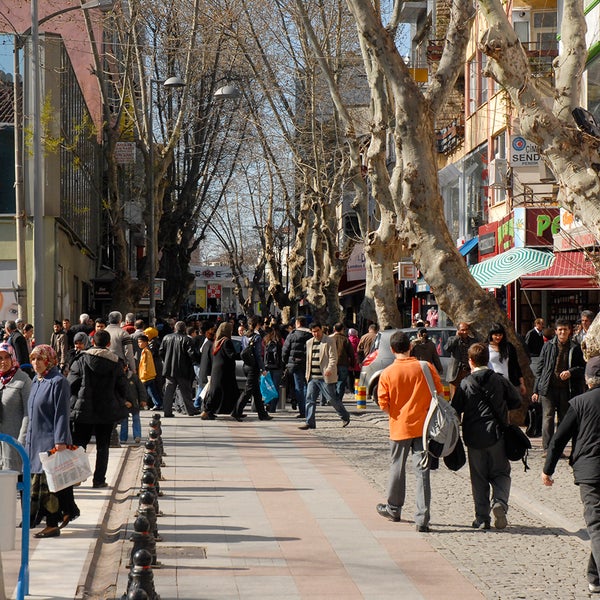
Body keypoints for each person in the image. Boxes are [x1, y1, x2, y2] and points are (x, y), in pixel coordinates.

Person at [542, 355, 600, 594]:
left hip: (590, 471)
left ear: (588, 380)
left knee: (596, 524)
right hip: (590, 469)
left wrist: (547, 469)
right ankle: (594, 577)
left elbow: (558, 440)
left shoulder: (579, 403)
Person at [375, 330, 442, 531]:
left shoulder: (387, 373)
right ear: (410, 346)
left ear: (392, 349)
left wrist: (396, 413)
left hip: (399, 427)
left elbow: (383, 403)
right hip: (423, 427)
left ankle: (394, 508)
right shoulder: (426, 367)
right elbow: (439, 393)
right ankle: (422, 518)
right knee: (422, 471)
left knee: (397, 467)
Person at [452, 343, 522, 530]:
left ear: (470, 361)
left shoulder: (466, 383)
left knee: (479, 478)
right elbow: (516, 401)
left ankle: (482, 519)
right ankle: (499, 501)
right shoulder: (499, 380)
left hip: (474, 438)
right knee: (501, 472)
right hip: (497, 435)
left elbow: (455, 409)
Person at [26, 344, 79, 537]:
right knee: (44, 484)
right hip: (35, 439)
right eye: (33, 359)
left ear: (49, 359)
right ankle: (65, 512)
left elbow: (62, 414)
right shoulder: (37, 380)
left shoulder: (58, 382)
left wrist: (60, 440)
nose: (36, 363)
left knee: (50, 486)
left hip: (50, 441)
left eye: (40, 359)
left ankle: (52, 524)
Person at [69, 330, 128, 488]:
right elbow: (123, 386)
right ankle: (99, 479)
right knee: (103, 446)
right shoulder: (116, 363)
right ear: (108, 344)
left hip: (83, 409)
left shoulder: (80, 360)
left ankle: (76, 478)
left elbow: (71, 384)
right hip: (106, 409)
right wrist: (121, 400)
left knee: (80, 443)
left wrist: (74, 401)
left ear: (92, 342)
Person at [532, 318, 585, 452]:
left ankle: (558, 448)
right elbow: (540, 368)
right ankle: (547, 448)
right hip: (548, 387)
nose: (562, 332)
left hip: (566, 389)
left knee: (563, 419)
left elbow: (582, 368)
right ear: (555, 331)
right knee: (548, 417)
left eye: (565, 330)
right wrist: (536, 390)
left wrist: (570, 372)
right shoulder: (548, 346)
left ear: (569, 331)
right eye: (560, 330)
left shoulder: (575, 348)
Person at [300, 322, 350, 430]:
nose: (315, 333)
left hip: (325, 377)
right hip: (312, 377)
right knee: (309, 399)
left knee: (332, 399)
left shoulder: (329, 341)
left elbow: (333, 357)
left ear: (321, 329)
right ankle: (310, 422)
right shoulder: (309, 342)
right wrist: (307, 374)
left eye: (317, 331)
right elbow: (308, 360)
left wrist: (329, 369)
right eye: (313, 332)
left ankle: (345, 416)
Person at [234, 316, 272, 421]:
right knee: (248, 390)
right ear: (257, 325)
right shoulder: (257, 337)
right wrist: (262, 368)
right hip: (253, 367)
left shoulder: (245, 336)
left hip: (246, 365)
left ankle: (262, 414)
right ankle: (236, 411)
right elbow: (258, 355)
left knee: (256, 391)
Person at [0, 343, 31, 472]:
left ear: (13, 357)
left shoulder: (23, 380)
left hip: (13, 443)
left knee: (13, 482)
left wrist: (21, 441)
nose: (3, 362)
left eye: (7, 357)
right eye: (0, 358)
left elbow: (28, 413)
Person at [159, 320, 199, 417]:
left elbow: (161, 352)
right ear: (184, 329)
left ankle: (167, 411)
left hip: (169, 370)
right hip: (183, 370)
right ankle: (190, 410)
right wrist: (195, 361)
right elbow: (192, 354)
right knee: (186, 392)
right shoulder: (187, 340)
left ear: (175, 328)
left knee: (169, 392)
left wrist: (166, 361)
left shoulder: (166, 338)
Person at [202, 322, 239, 419]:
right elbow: (231, 355)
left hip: (217, 369)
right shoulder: (226, 341)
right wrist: (242, 354)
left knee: (217, 391)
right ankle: (207, 411)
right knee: (231, 391)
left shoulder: (216, 341)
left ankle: (210, 410)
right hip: (225, 371)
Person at [282, 316, 313, 419]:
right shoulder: (311, 335)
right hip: (308, 364)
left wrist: (285, 362)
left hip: (295, 364)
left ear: (298, 323)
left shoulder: (292, 335)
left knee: (299, 387)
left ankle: (303, 411)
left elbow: (285, 350)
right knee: (308, 386)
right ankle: (309, 409)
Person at [487, 322, 526, 396]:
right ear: (491, 335)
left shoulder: (509, 347)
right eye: (496, 335)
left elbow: (516, 366)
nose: (498, 337)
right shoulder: (486, 348)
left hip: (509, 383)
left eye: (500, 335)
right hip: (492, 383)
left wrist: (522, 383)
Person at [445, 322, 478, 398]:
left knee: (468, 396)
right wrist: (457, 337)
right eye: (462, 330)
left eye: (466, 330)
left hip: (468, 372)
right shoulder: (452, 339)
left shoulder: (473, 341)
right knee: (454, 398)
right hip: (455, 373)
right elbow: (447, 348)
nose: (465, 332)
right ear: (458, 330)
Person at [119, 361, 147, 444]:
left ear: (126, 368)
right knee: (124, 421)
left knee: (136, 419)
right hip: (124, 404)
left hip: (135, 402)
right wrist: (124, 402)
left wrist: (143, 400)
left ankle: (137, 436)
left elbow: (141, 389)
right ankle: (123, 438)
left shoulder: (134, 377)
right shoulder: (118, 378)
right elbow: (116, 392)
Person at [331, 322, 356, 406]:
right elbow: (351, 353)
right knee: (341, 381)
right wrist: (352, 363)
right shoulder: (345, 339)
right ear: (342, 329)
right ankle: (339, 399)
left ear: (334, 329)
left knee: (332, 381)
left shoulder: (330, 339)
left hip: (332, 364)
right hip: (343, 363)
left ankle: (332, 398)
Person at [137, 335, 162, 409]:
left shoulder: (146, 351)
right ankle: (157, 403)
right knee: (151, 391)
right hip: (148, 375)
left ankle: (142, 404)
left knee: (143, 391)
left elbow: (146, 364)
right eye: (138, 342)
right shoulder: (145, 350)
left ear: (146, 342)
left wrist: (144, 374)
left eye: (140, 342)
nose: (139, 344)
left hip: (146, 375)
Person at [263, 326, 283, 412]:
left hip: (267, 366)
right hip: (278, 367)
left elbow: (262, 353)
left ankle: (268, 404)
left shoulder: (266, 340)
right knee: (275, 387)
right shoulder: (281, 341)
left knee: (268, 387)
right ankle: (272, 407)